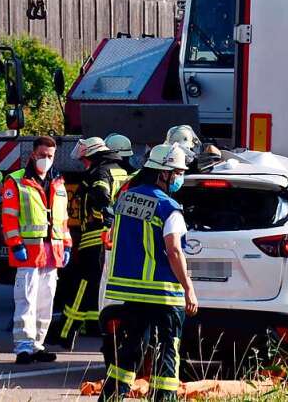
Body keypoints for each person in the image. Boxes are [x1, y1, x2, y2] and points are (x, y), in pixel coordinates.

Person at [99, 143, 199, 402]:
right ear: (163, 173)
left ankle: (111, 397)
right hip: (164, 292)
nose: (179, 178)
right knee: (168, 348)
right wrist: (188, 288)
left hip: (132, 291)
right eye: (177, 172)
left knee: (129, 347)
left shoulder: (126, 198)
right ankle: (164, 398)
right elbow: (174, 251)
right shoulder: (168, 207)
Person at [1, 136, 71, 364]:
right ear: (33, 154)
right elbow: (9, 218)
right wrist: (15, 244)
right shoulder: (17, 181)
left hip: (53, 251)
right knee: (26, 299)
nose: (46, 160)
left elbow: (63, 219)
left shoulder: (58, 183)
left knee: (46, 301)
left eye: (50, 156)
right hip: (29, 251)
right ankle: (23, 347)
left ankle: (38, 345)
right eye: (42, 155)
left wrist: (67, 244)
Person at [53, 137, 126, 349]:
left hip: (95, 238)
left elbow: (101, 196)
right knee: (98, 285)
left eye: (85, 159)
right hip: (113, 237)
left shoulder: (99, 173)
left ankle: (66, 332)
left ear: (93, 156)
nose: (84, 163)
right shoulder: (119, 169)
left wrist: (100, 216)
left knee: (82, 285)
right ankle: (94, 326)